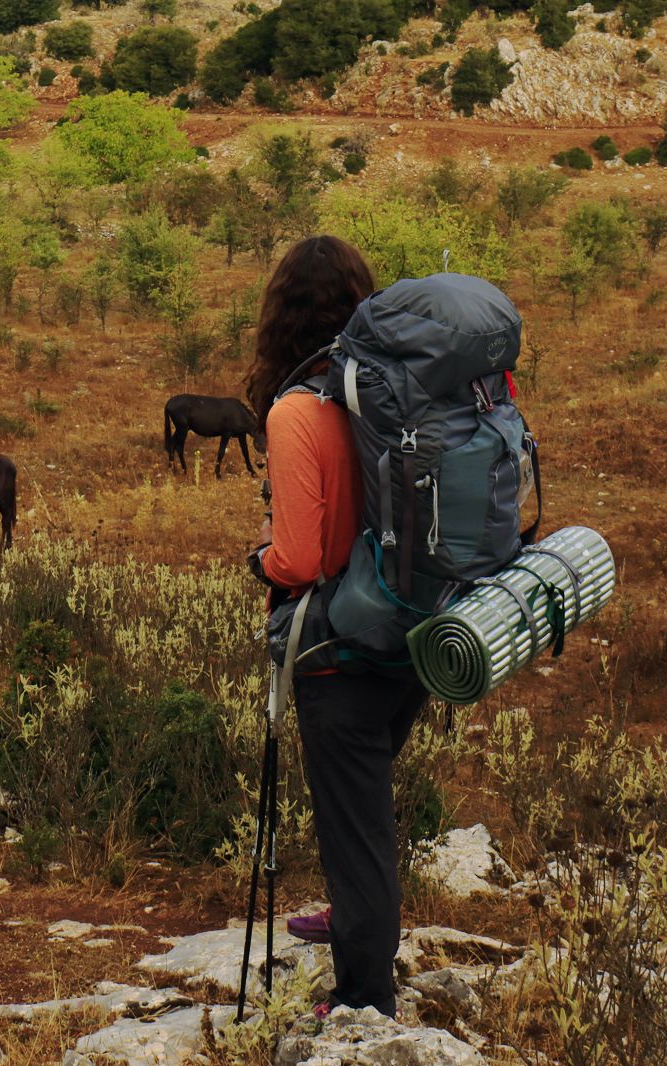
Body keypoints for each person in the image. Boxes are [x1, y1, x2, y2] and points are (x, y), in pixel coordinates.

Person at [242, 236, 429, 1018]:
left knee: (357, 835)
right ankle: (357, 921)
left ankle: (362, 1001)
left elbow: (304, 555)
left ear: (280, 316)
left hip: (335, 652)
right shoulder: (392, 395)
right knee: (362, 810)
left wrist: (259, 561)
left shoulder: (296, 411)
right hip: (412, 637)